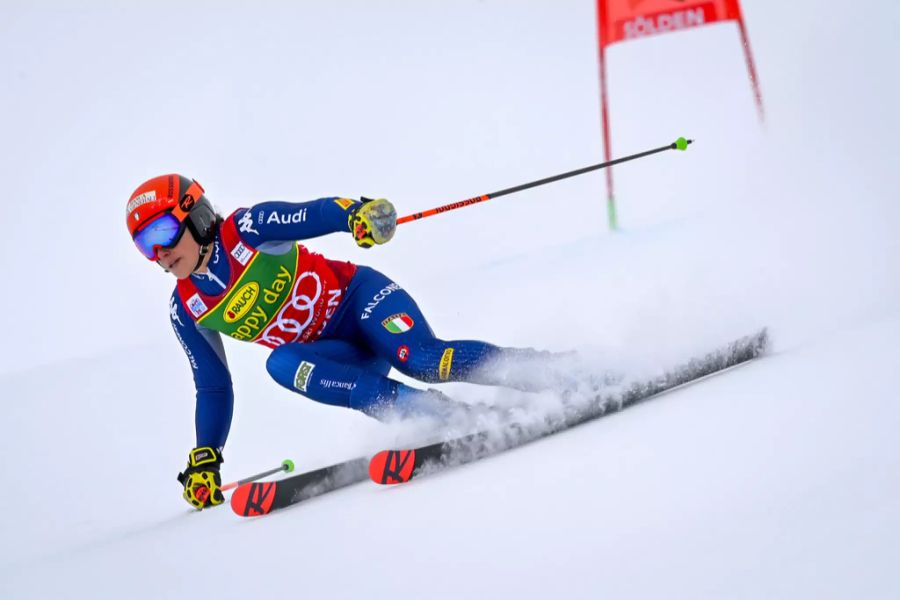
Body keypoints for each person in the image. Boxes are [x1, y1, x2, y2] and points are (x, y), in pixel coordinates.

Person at [127, 174, 562, 510]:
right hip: (342, 356)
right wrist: (206, 456)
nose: (159, 253)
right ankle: (443, 416)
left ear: (196, 216)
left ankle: (552, 372)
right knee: (281, 363)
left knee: (423, 359)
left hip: (361, 303)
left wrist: (357, 214)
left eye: (162, 233)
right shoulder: (187, 309)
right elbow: (213, 386)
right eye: (145, 246)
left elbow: (313, 213)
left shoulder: (246, 228)